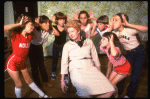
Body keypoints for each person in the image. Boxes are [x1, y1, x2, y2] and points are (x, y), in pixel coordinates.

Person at [61, 20, 115, 98]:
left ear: (78, 31)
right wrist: (62, 80)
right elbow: (64, 63)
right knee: (86, 95)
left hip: (90, 67)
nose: (71, 34)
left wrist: (99, 71)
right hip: (76, 69)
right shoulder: (67, 45)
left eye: (72, 31)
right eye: (69, 32)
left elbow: (95, 57)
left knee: (110, 90)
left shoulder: (89, 42)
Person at [4, 14, 49, 98]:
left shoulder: (30, 36)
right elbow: (4, 28)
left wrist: (35, 23)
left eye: (33, 25)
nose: (33, 27)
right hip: (12, 63)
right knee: (19, 84)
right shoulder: (15, 35)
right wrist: (18, 24)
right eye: (31, 25)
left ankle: (42, 95)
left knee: (29, 80)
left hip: (22, 63)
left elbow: (36, 33)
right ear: (23, 25)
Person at [109, 13, 148, 98]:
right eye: (113, 20)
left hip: (139, 52)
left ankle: (129, 95)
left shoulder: (129, 30)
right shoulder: (115, 32)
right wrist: (111, 25)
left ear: (122, 22)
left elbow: (146, 29)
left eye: (116, 20)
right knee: (122, 73)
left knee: (135, 75)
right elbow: (108, 35)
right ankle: (118, 92)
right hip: (128, 53)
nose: (114, 22)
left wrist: (128, 24)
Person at [29, 15, 59, 89]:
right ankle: (37, 84)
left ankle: (45, 81)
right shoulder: (35, 29)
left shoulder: (48, 29)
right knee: (34, 67)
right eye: (45, 23)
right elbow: (31, 28)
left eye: (48, 22)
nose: (47, 24)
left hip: (39, 47)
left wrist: (50, 25)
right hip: (32, 47)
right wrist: (36, 24)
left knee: (42, 65)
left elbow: (57, 33)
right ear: (40, 24)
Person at [100, 32, 131, 98]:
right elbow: (100, 47)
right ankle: (116, 96)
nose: (101, 40)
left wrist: (111, 41)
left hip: (124, 68)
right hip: (116, 67)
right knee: (110, 84)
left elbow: (114, 54)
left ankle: (116, 96)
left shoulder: (116, 49)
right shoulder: (106, 47)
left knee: (112, 84)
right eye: (102, 38)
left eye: (103, 39)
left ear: (111, 41)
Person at [50, 12, 68, 80]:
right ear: (57, 20)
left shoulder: (66, 27)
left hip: (64, 46)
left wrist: (68, 19)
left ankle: (65, 74)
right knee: (54, 60)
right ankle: (53, 72)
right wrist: (51, 20)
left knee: (64, 61)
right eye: (60, 19)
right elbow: (47, 25)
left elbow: (74, 25)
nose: (62, 21)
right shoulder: (54, 27)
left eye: (63, 19)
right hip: (56, 46)